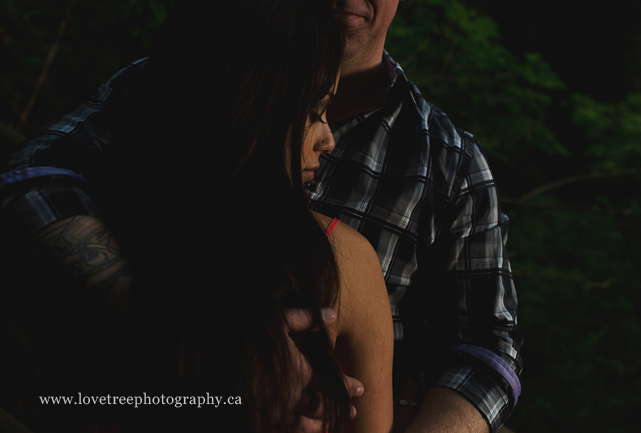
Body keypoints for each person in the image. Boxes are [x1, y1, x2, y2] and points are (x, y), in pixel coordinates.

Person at [0, 0, 523, 432]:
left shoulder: (445, 164)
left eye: (322, 108)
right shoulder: (174, 84)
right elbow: (33, 179)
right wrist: (189, 340)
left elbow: (484, 350)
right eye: (309, 111)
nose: (327, 138)